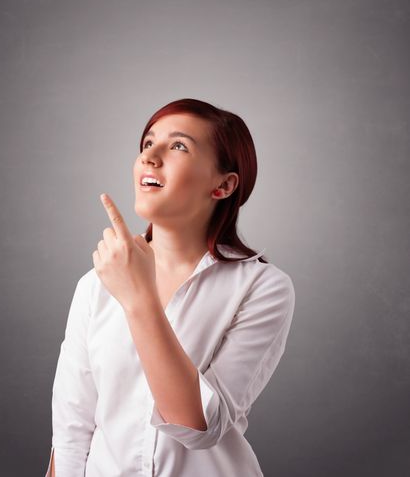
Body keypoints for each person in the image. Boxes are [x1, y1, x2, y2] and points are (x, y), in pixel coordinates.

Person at [45, 98, 296, 477]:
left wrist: (138, 299)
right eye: (148, 143)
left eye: (178, 146)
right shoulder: (96, 283)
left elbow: (199, 426)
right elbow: (70, 431)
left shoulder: (262, 288)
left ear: (223, 185)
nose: (151, 156)